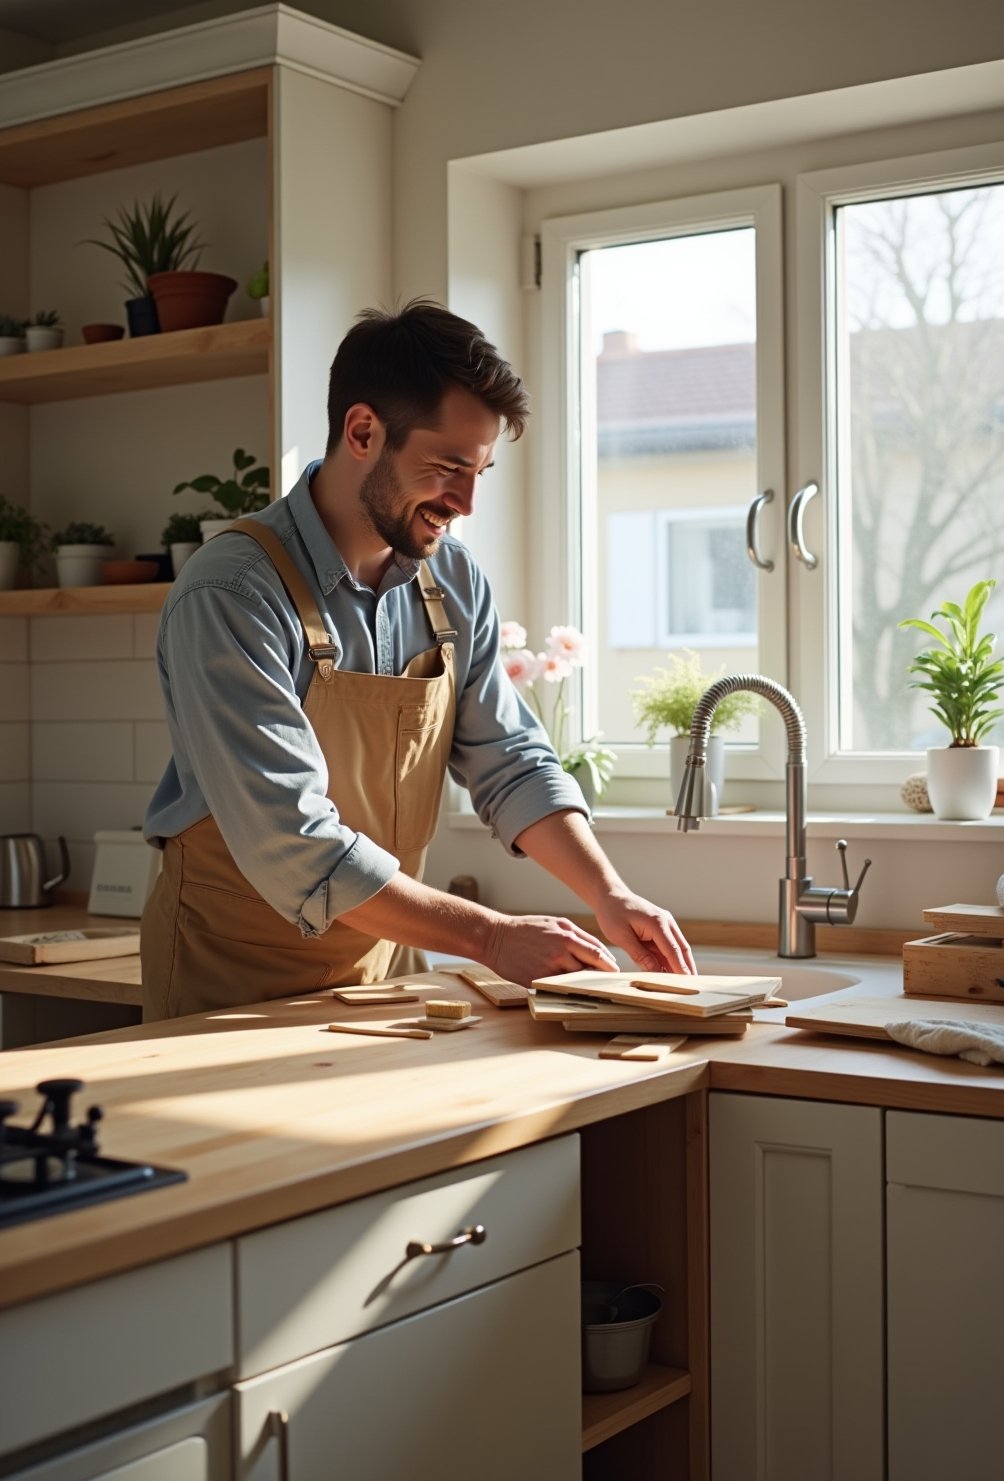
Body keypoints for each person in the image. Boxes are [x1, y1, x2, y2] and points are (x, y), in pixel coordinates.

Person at [141, 300, 693, 1020]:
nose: (463, 500)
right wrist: (491, 938)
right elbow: (291, 840)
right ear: (363, 431)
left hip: (384, 979)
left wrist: (608, 894)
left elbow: (512, 763)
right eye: (446, 467)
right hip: (230, 986)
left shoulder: (452, 583)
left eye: (481, 472)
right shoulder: (231, 594)